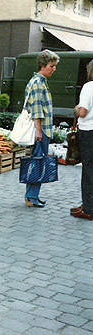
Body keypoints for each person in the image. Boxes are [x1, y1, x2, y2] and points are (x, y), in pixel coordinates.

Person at [24, 49, 59, 208]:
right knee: (37, 162)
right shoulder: (38, 83)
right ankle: (31, 197)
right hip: (41, 130)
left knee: (37, 161)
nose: (54, 69)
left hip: (42, 130)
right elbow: (37, 110)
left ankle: (32, 195)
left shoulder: (40, 81)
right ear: (43, 65)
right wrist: (39, 131)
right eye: (52, 66)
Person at [70, 60, 93, 220]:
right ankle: (87, 204)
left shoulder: (88, 87)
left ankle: (89, 209)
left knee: (88, 170)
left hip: (89, 132)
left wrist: (77, 109)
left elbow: (83, 112)